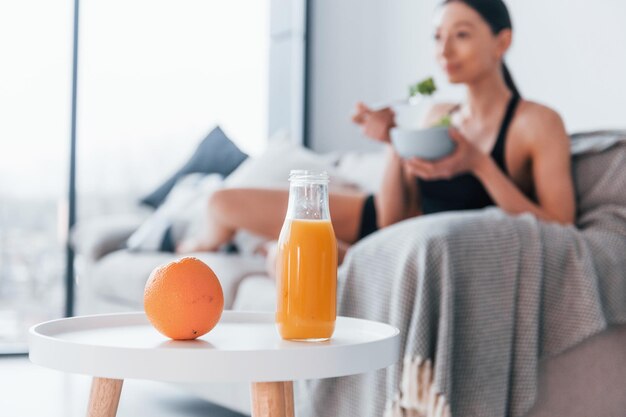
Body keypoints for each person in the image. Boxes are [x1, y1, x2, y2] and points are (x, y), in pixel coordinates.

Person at [181, 0, 575, 262]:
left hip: (412, 243)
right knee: (221, 202)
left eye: (462, 34)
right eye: (438, 37)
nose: (444, 50)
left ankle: (269, 249)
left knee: (286, 259)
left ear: (502, 41)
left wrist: (480, 165)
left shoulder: (537, 123)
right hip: (386, 221)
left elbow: (564, 229)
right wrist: (392, 142)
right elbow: (390, 216)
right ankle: (197, 246)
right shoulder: (439, 113)